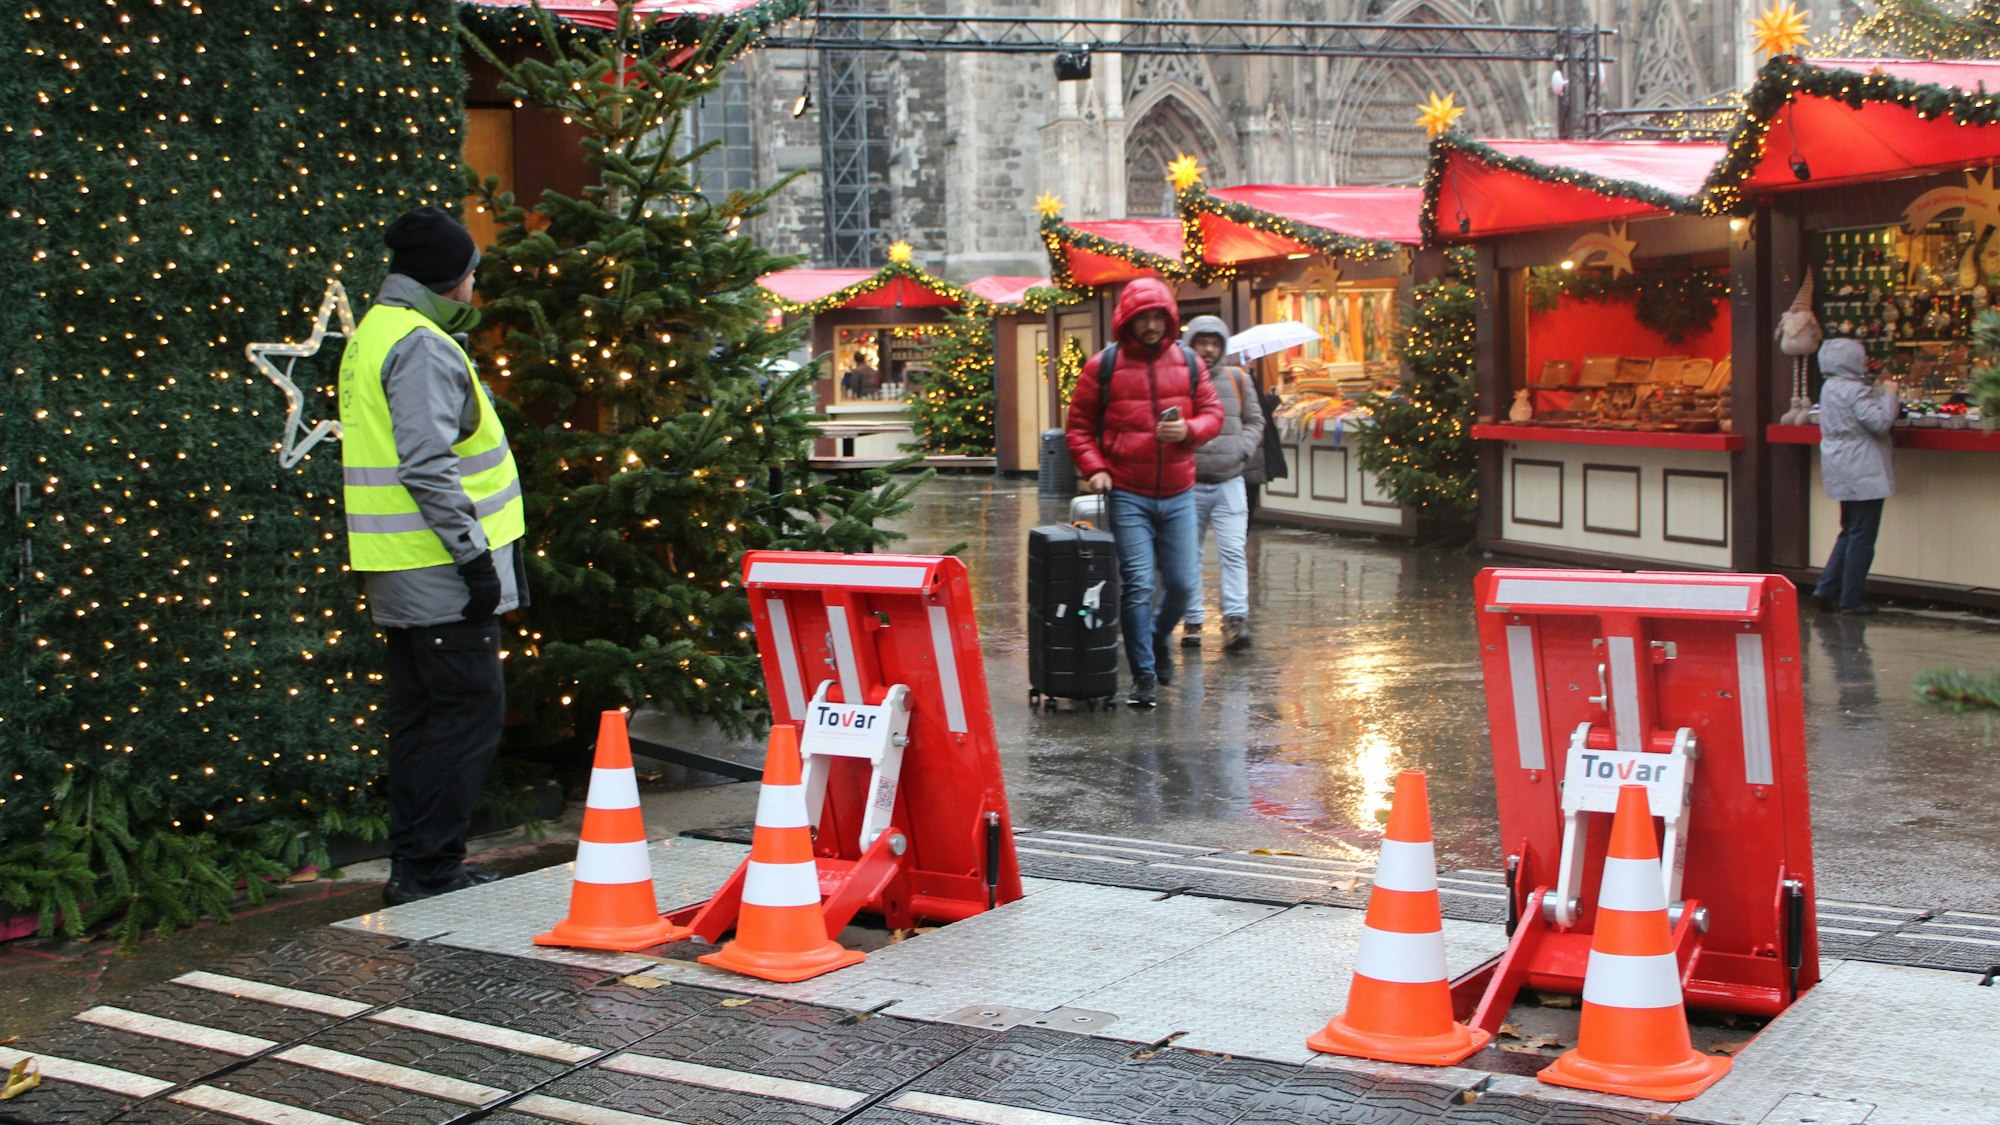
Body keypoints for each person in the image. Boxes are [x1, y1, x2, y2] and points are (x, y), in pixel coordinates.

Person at [337, 206, 528, 905]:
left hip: (400, 567)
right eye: (473, 270)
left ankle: (415, 867)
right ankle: (430, 870)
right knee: (465, 715)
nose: (477, 282)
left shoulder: (375, 333)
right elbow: (426, 464)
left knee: (422, 718)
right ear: (452, 279)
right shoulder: (420, 343)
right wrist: (474, 558)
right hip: (438, 569)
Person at [1065, 278, 1223, 707]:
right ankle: (1144, 676)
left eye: (1158, 317)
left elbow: (1213, 414)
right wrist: (1095, 469)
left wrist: (1187, 429)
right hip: (1128, 492)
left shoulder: (1189, 362)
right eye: (1142, 318)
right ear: (1127, 321)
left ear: (1170, 319)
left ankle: (1155, 637)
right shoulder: (1105, 366)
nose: (1151, 325)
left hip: (1178, 492)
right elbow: (1078, 427)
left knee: (1183, 584)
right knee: (1136, 584)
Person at [1177, 316, 1264, 652]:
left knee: (1232, 551)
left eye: (1215, 343)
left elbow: (1255, 420)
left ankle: (1235, 619)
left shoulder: (1238, 379)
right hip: (1190, 482)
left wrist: (1241, 449)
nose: (1209, 349)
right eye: (1203, 342)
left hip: (1230, 481)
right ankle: (1193, 620)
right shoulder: (1179, 380)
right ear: (1192, 344)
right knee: (1189, 555)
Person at [1811, 337, 1897, 616]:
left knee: (1849, 531)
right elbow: (1881, 423)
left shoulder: (1829, 388)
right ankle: (1851, 599)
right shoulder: (1857, 391)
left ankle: (1827, 588)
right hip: (1864, 469)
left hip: (1839, 467)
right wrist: (1891, 395)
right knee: (1862, 536)